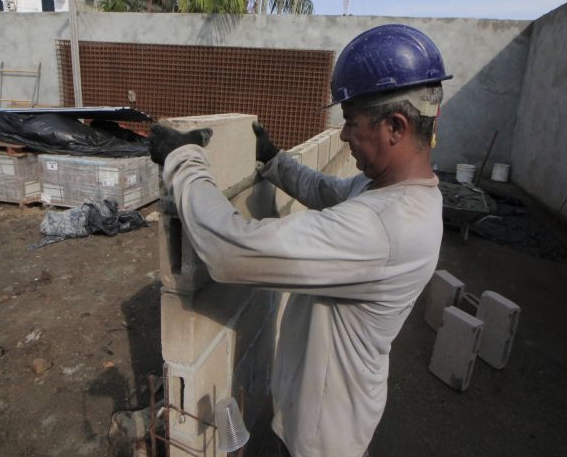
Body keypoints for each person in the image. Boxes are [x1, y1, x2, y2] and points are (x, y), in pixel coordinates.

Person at [148, 24, 452, 457]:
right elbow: (327, 191)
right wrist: (274, 161)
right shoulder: (394, 192)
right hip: (330, 414)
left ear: (395, 126)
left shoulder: (385, 228)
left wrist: (184, 160)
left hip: (319, 440)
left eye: (350, 122)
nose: (343, 136)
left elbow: (230, 251)